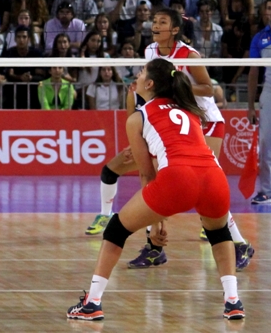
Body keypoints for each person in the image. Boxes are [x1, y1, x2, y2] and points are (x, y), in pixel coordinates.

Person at [67, 58, 245, 322]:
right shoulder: (189, 109)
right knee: (219, 234)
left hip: (178, 177)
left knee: (116, 229)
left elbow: (147, 173)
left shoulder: (139, 117)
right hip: (214, 177)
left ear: (149, 84)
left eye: (140, 72)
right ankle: (233, 302)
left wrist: (155, 226)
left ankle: (92, 303)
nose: (136, 76)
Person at [85, 8, 253, 272]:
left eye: (161, 22)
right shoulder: (151, 51)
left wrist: (177, 88)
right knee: (163, 183)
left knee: (204, 187)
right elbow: (149, 90)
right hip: (173, 121)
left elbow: (209, 89)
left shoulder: (189, 55)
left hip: (205, 121)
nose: (155, 25)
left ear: (174, 30)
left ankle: (240, 244)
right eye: (154, 21)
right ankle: (155, 248)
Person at [247, 0, 271, 205]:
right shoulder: (260, 38)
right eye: (269, 8)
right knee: (265, 143)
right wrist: (250, 106)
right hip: (269, 92)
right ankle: (266, 191)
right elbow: (254, 72)